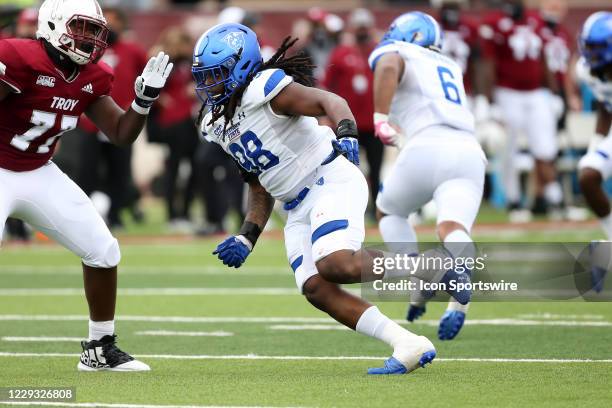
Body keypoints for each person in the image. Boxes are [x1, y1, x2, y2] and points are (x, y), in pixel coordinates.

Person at [193, 23, 472, 374]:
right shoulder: (214, 123)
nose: (207, 85)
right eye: (203, 76)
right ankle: (408, 343)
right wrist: (247, 236)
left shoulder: (266, 89)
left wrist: (347, 131)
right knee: (315, 288)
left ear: (243, 66)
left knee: (335, 263)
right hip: (294, 207)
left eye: (216, 74)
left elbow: (329, 100)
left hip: (328, 178)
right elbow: (259, 184)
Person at [0, 0, 173, 371]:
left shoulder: (93, 76)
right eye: (82, 27)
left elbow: (121, 134)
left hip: (36, 169)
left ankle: (99, 349)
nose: (89, 38)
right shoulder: (16, 56)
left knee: (103, 250)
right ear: (53, 25)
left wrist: (144, 101)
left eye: (96, 32)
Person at [370, 12, 485, 340]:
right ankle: (456, 307)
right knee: (452, 228)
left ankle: (419, 278)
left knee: (388, 211)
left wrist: (380, 118)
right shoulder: (450, 65)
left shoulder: (399, 52)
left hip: (427, 144)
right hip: (469, 152)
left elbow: (389, 64)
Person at [480, 0, 563, 222]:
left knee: (545, 146)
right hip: (507, 93)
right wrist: (490, 100)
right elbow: (488, 62)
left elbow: (543, 58)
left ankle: (554, 200)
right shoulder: (495, 23)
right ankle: (513, 201)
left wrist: (554, 91)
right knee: (509, 148)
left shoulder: (535, 20)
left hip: (536, 93)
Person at [71, 5, 148, 229]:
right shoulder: (86, 49)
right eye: (107, 20)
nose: (110, 25)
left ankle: (115, 216)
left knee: (120, 172)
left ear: (124, 24)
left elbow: (147, 77)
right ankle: (81, 217)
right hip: (89, 122)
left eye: (115, 20)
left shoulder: (133, 50)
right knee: (86, 172)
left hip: (120, 119)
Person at [323, 9, 383, 212]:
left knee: (376, 169)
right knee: (348, 171)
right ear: (353, 29)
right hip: (348, 123)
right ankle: (352, 209)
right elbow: (327, 86)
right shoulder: (341, 53)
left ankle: (375, 209)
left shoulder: (379, 52)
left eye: (365, 27)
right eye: (359, 28)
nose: (363, 31)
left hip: (373, 122)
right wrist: (327, 116)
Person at [576, 12, 612, 293]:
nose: (591, 53)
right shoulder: (586, 69)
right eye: (589, 46)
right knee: (588, 176)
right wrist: (595, 146)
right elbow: (605, 105)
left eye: (597, 47)